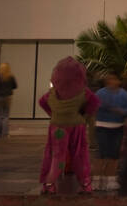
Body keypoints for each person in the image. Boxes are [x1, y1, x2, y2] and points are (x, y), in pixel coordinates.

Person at [38, 57, 99, 195]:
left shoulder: (54, 93)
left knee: (57, 157)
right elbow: (94, 102)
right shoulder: (83, 92)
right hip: (76, 126)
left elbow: (42, 102)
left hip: (57, 127)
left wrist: (53, 114)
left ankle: (49, 184)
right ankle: (85, 184)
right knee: (79, 155)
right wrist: (84, 116)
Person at [94, 71, 127, 190]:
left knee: (114, 154)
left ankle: (111, 179)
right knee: (101, 154)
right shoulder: (100, 93)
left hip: (117, 126)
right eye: (109, 79)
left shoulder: (123, 93)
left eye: (114, 79)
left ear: (118, 81)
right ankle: (97, 179)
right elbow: (93, 105)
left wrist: (122, 112)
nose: (111, 82)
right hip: (102, 125)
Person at [0, 63, 17, 139]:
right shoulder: (11, 76)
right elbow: (15, 86)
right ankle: (5, 133)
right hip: (8, 97)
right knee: (6, 115)